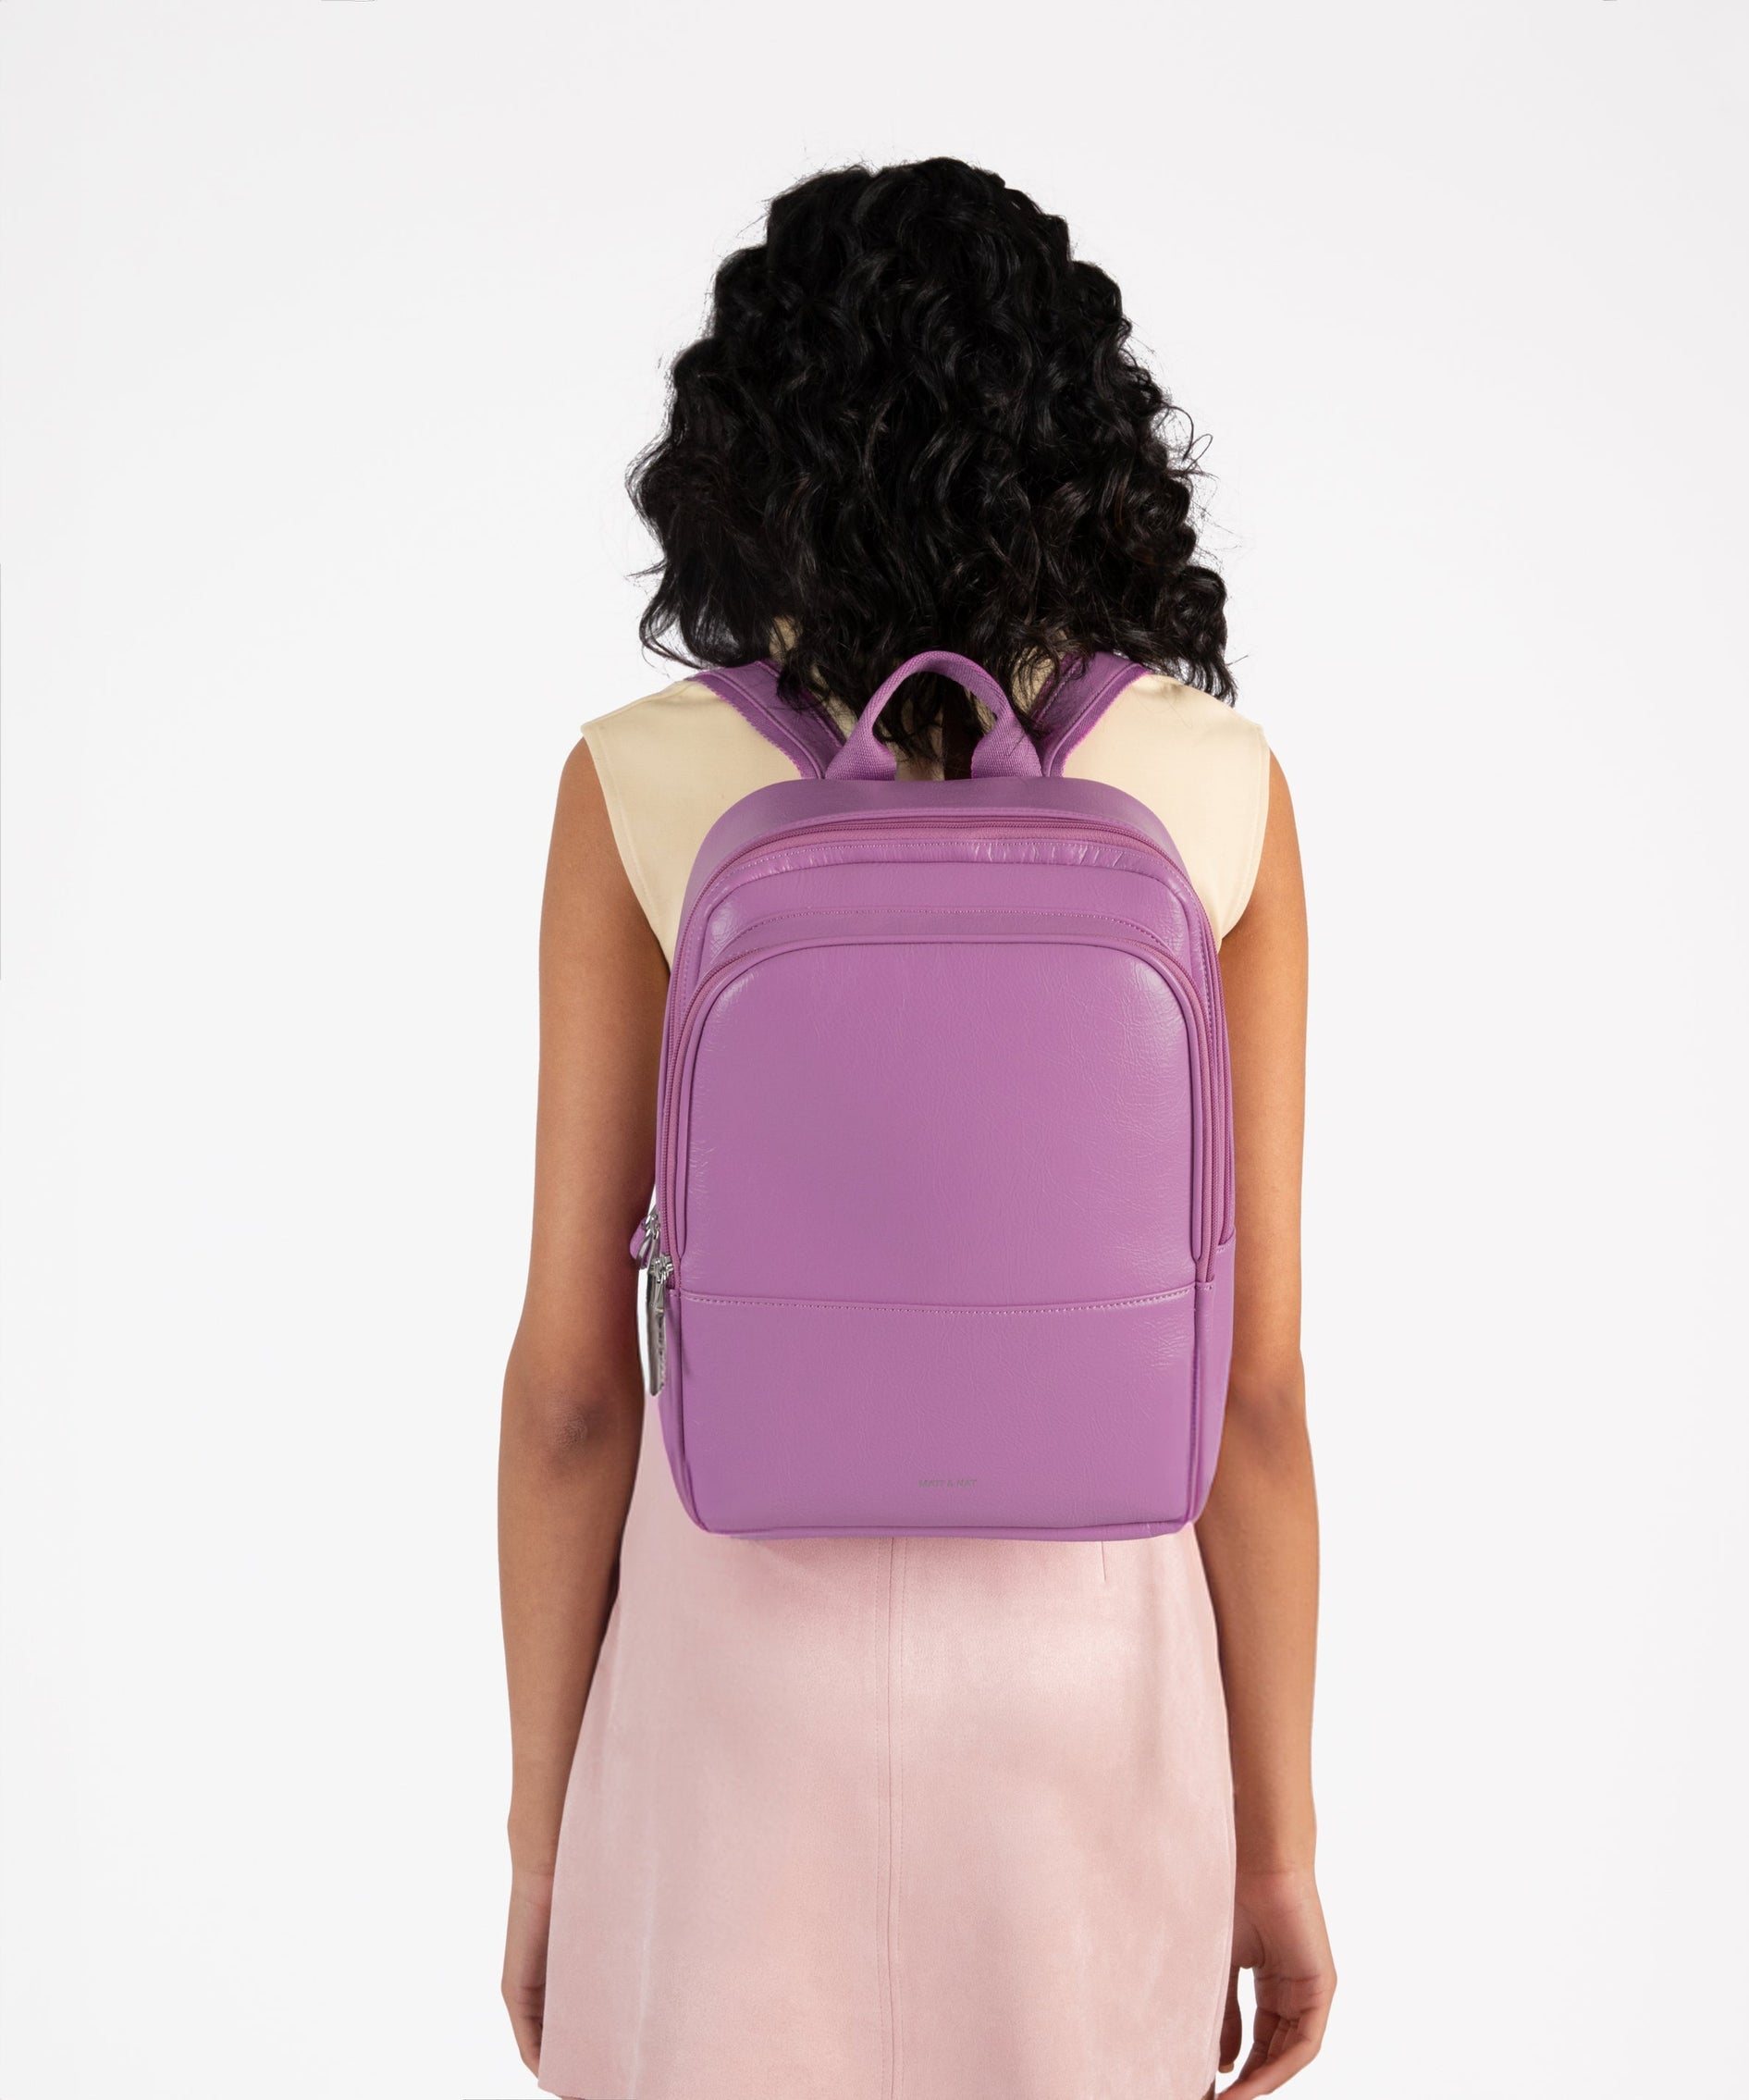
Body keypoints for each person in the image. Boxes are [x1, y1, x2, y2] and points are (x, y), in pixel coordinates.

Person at [499, 157, 1332, 2100]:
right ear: (1087, 445)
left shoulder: (636, 781)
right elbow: (1256, 1394)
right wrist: (1277, 1850)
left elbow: (572, 1391)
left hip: (731, 1685)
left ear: (744, 454)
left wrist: (546, 1837)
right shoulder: (1217, 785)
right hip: (1088, 1687)